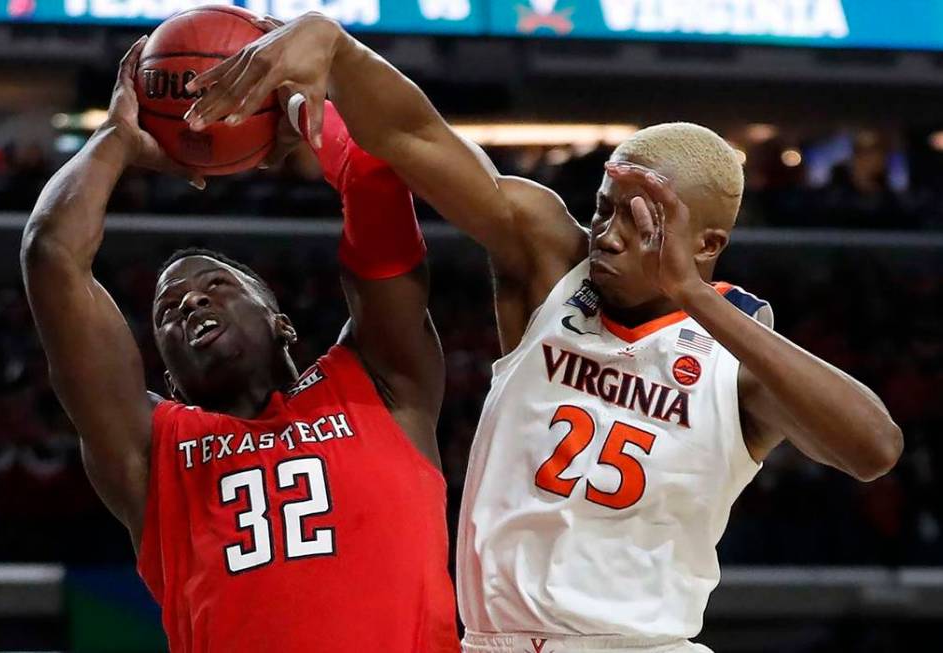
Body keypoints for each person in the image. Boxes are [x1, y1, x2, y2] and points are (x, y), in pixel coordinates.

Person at [184, 14, 904, 653]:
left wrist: (688, 292)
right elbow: (412, 136)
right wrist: (338, 52)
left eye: (639, 221)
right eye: (605, 205)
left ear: (707, 241)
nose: (607, 234)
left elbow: (874, 449)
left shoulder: (739, 357)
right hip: (489, 639)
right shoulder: (548, 262)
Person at [21, 36, 458, 653]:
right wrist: (116, 138)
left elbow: (374, 181)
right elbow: (51, 255)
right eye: (168, 310)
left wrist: (305, 104)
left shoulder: (381, 382)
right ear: (170, 379)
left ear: (281, 322)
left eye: (217, 286)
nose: (192, 302)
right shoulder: (154, 451)